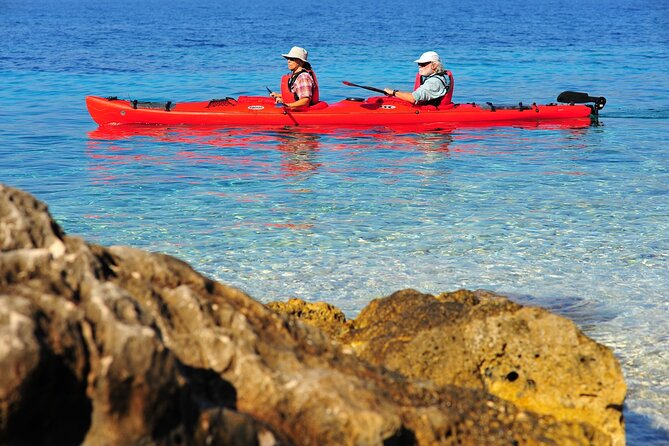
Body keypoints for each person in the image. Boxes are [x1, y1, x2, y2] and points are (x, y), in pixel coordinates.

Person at [384, 51, 452, 105]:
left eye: (423, 64)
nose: (419, 66)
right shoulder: (437, 77)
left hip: (430, 112)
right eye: (419, 64)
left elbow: (413, 98)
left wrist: (393, 92)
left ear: (434, 65)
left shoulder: (433, 82)